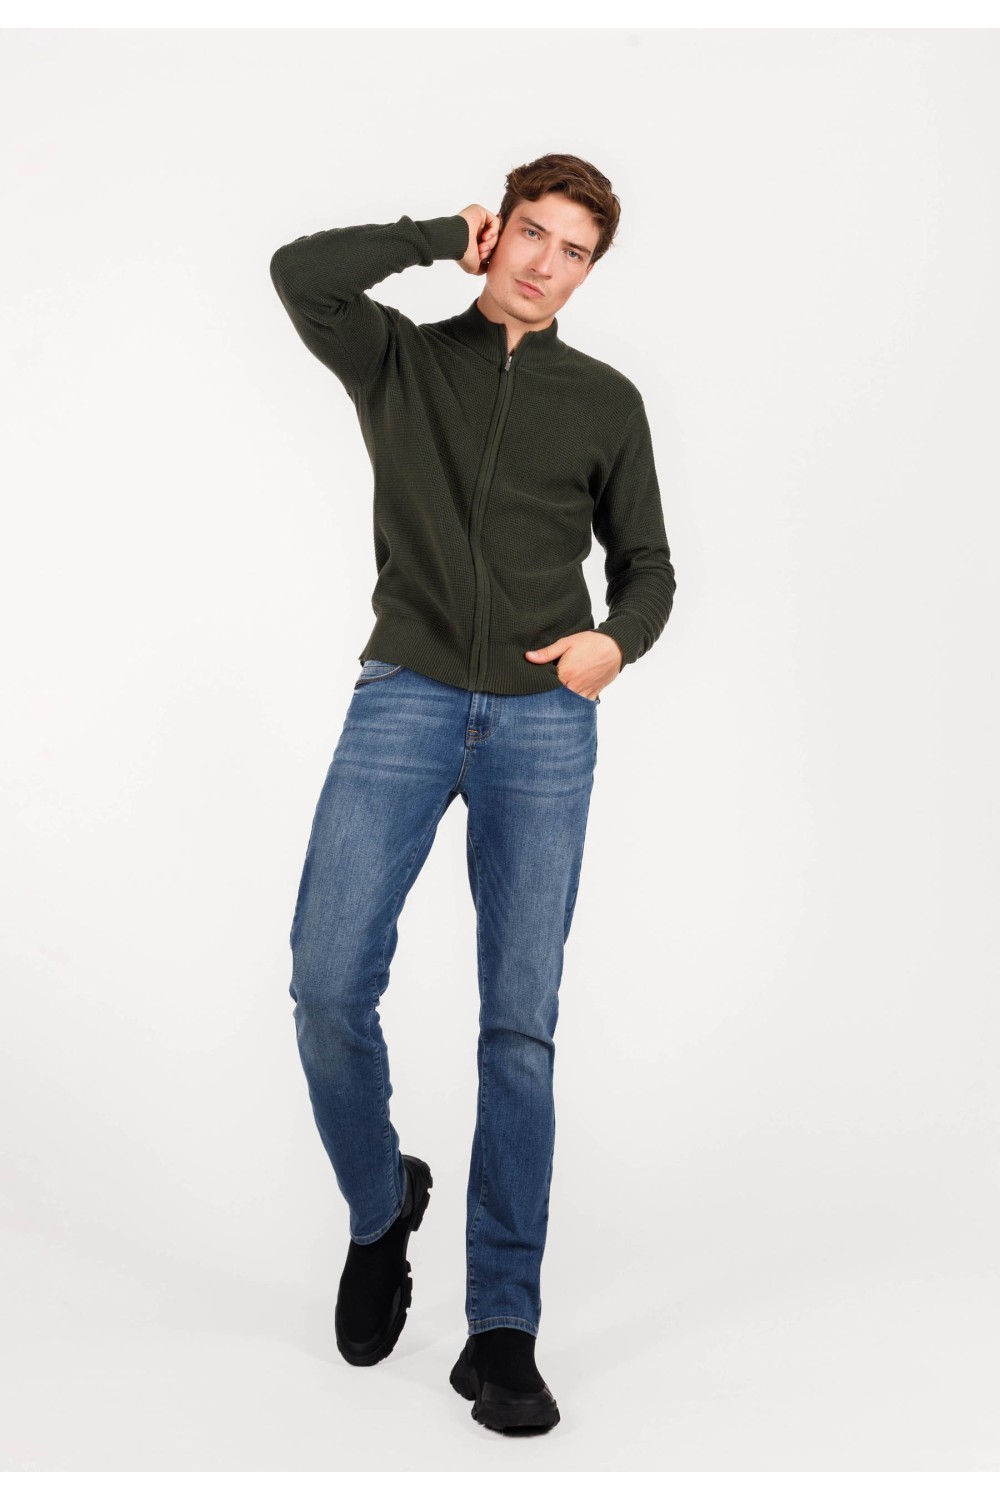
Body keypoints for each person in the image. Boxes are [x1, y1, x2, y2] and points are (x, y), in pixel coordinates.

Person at [269, 152, 677, 1435]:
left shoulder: (604, 401)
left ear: (591, 271)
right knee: (328, 982)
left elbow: (651, 566)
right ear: (496, 234)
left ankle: (501, 1326)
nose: (547, 265)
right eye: (531, 234)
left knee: (519, 1026)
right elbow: (299, 273)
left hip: (545, 722)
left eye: (575, 251)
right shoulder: (398, 360)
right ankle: (377, 1206)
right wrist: (432, 233)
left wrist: (616, 643)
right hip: (405, 696)